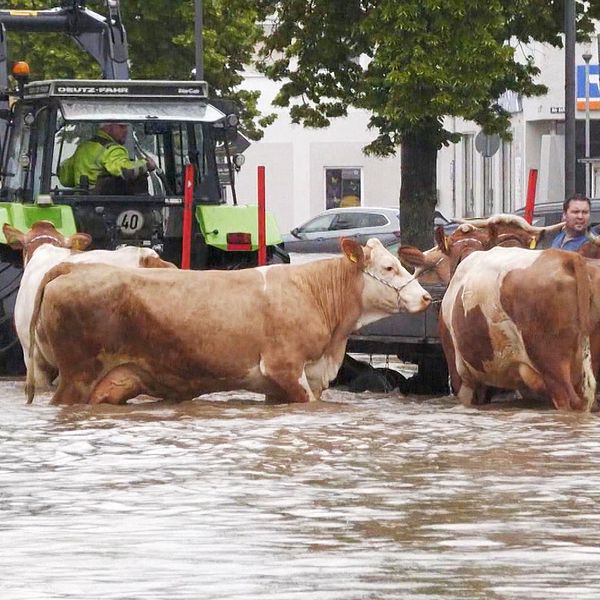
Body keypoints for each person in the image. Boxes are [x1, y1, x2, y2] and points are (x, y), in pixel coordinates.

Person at [58, 122, 156, 194]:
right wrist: (146, 164)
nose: (126, 131)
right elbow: (126, 170)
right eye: (121, 126)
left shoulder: (83, 147)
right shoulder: (112, 149)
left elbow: (65, 178)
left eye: (126, 127)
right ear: (107, 127)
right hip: (105, 209)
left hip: (79, 208)